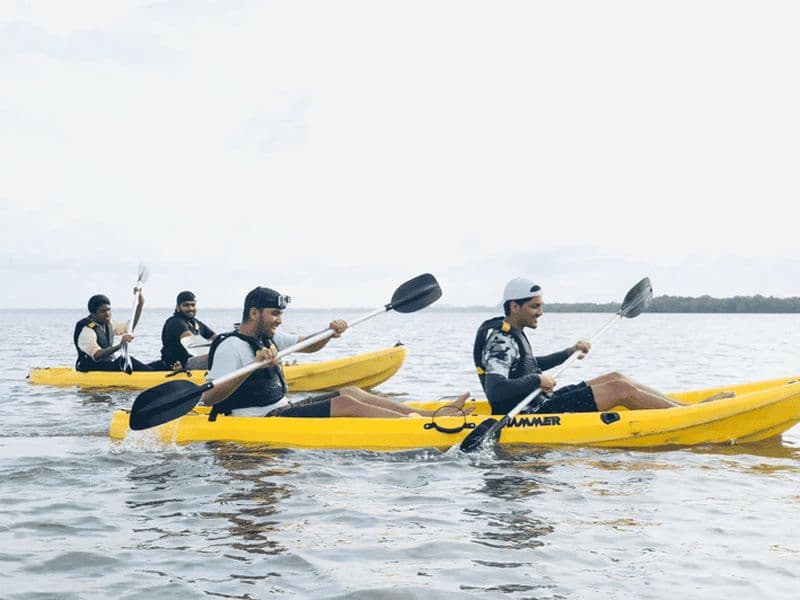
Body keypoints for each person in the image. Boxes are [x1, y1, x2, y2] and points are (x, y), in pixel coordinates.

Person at [201, 286, 470, 419]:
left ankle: (427, 416)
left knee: (351, 391)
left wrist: (330, 332)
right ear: (254, 313)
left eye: (280, 314)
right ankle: (418, 427)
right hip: (256, 420)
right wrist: (250, 370)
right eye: (274, 314)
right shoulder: (230, 347)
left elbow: (309, 344)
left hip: (281, 408)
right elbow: (210, 398)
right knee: (346, 406)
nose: (279, 320)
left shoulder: (269, 338)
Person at [473, 278, 731, 415]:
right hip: (528, 414)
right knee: (619, 389)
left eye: (541, 305)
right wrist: (537, 380)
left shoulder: (513, 333)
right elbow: (497, 391)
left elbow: (526, 366)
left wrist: (568, 353)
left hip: (539, 400)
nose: (540, 312)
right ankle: (687, 415)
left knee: (616, 377)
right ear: (514, 307)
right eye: (534, 306)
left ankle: (686, 409)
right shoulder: (500, 339)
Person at [73, 291, 156, 372]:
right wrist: (120, 345)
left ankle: (159, 371)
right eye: (103, 311)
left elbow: (129, 327)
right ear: (93, 313)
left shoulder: (108, 323)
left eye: (109, 310)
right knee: (125, 360)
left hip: (107, 364)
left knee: (158, 364)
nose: (107, 314)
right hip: (92, 368)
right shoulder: (87, 330)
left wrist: (140, 304)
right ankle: (156, 377)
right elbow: (97, 355)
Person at [158, 290, 218, 371]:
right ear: (178, 307)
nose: (190, 308)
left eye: (193, 305)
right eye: (186, 305)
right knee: (217, 356)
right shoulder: (175, 322)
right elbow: (193, 344)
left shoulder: (196, 323)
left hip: (192, 363)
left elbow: (216, 338)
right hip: (180, 365)